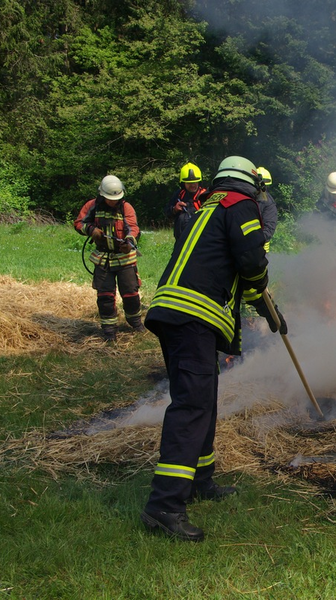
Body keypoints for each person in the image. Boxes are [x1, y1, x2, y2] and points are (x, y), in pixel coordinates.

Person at [141, 156, 285, 542]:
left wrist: (267, 309)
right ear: (250, 182)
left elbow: (234, 269)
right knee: (191, 407)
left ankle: (199, 480)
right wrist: (263, 289)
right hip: (192, 317)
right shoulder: (240, 204)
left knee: (203, 400)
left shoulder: (208, 207)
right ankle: (164, 506)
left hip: (174, 312)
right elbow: (252, 262)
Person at [74, 175, 143, 342]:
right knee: (105, 295)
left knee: (131, 293)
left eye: (116, 198)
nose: (114, 201)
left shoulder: (126, 208)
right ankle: (109, 330)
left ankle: (135, 322)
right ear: (102, 195)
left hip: (125, 259)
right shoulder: (92, 206)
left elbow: (133, 228)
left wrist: (129, 242)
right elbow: (79, 223)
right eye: (110, 199)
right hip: (103, 259)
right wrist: (91, 230)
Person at [163, 162, 206, 241]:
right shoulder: (179, 195)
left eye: (194, 182)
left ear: (199, 182)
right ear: (183, 183)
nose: (192, 185)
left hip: (200, 241)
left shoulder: (205, 196)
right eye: (189, 183)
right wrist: (174, 209)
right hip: (180, 240)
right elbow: (166, 212)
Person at [255, 166, 278, 252]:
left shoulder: (268, 203)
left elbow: (268, 230)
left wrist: (251, 241)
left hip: (260, 250)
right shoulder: (249, 198)